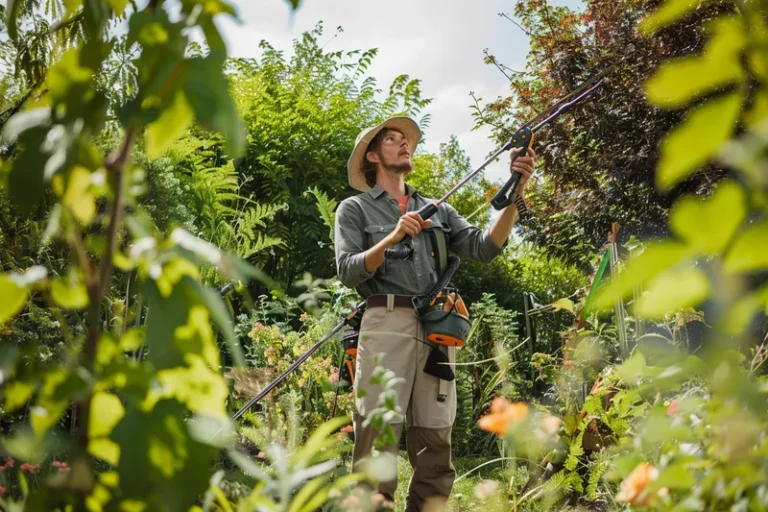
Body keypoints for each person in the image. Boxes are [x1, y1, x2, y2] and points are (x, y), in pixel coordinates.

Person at [334, 116, 535, 511]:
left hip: (437, 328)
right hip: (385, 323)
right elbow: (347, 269)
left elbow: (484, 247)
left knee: (436, 439)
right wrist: (393, 236)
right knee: (378, 436)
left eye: (405, 139)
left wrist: (517, 189)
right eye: (391, 140)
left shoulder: (438, 209)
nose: (403, 143)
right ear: (372, 157)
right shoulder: (354, 209)